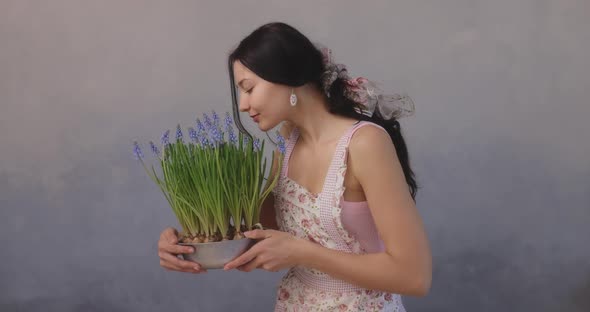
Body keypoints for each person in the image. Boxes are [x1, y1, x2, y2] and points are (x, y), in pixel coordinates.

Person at [158, 22, 432, 311]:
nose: (242, 105)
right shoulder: (286, 144)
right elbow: (268, 236)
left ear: (288, 78)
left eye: (249, 88)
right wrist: (187, 243)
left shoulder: (364, 144)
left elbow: (414, 276)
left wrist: (303, 253)